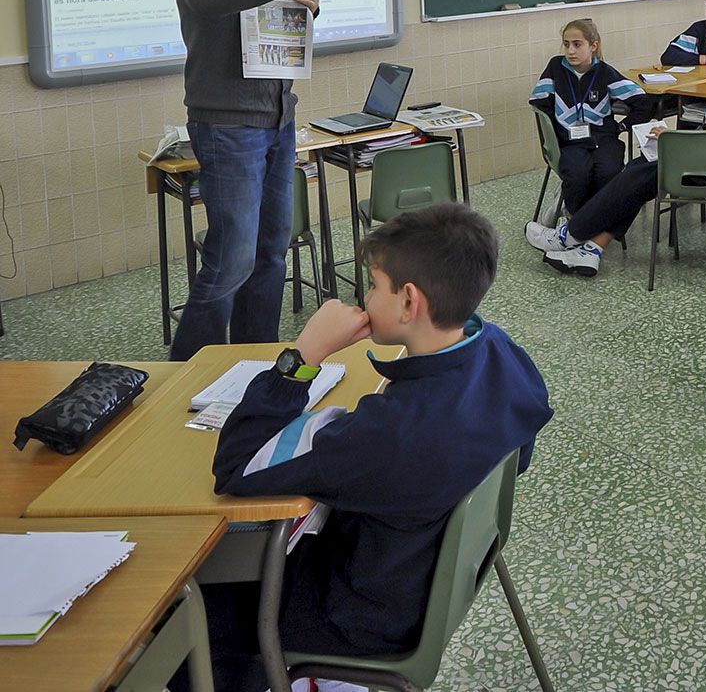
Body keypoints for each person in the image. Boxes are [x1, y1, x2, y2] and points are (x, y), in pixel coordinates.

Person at [188, 203, 552, 692]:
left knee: (182, 614)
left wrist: (303, 355)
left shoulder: (387, 435)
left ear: (409, 302)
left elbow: (236, 467)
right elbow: (519, 454)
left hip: (362, 616)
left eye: (374, 284)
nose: (364, 295)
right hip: (429, 583)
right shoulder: (504, 353)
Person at [168, 0, 335, 362]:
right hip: (227, 122)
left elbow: (274, 35)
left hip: (279, 117)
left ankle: (254, 364)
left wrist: (308, 6)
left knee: (270, 254)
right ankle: (187, 373)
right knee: (231, 258)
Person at [540, 8, 706, 276]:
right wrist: (671, 139)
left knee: (641, 173)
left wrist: (671, 140)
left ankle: (571, 234)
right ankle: (591, 248)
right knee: (639, 171)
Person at [526, 17, 654, 234]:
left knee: (609, 172)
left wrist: (622, 128)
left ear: (593, 46)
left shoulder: (605, 72)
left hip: (603, 138)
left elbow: (642, 101)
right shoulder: (556, 68)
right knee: (578, 173)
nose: (570, 51)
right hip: (571, 142)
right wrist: (555, 138)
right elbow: (539, 103)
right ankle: (575, 223)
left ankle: (602, 226)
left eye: (577, 45)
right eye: (566, 44)